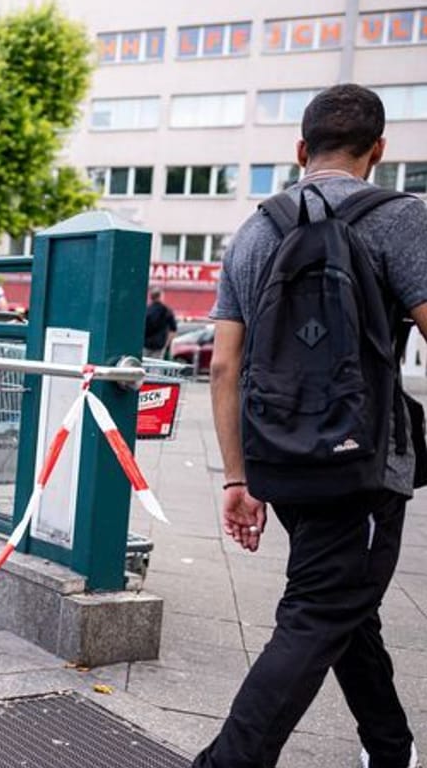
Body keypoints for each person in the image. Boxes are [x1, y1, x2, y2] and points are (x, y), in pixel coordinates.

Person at [195, 84, 427, 768]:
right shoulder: (400, 219)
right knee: (322, 609)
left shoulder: (255, 229)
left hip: (280, 458)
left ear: (300, 150)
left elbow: (223, 368)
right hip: (361, 463)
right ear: (379, 152)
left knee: (344, 601)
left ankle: (390, 747)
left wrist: (237, 478)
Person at [143, 286, 177, 359]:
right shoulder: (166, 310)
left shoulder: (146, 310)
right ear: (161, 296)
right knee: (156, 366)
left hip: (146, 344)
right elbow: (173, 330)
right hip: (159, 345)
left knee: (143, 363)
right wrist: (166, 345)